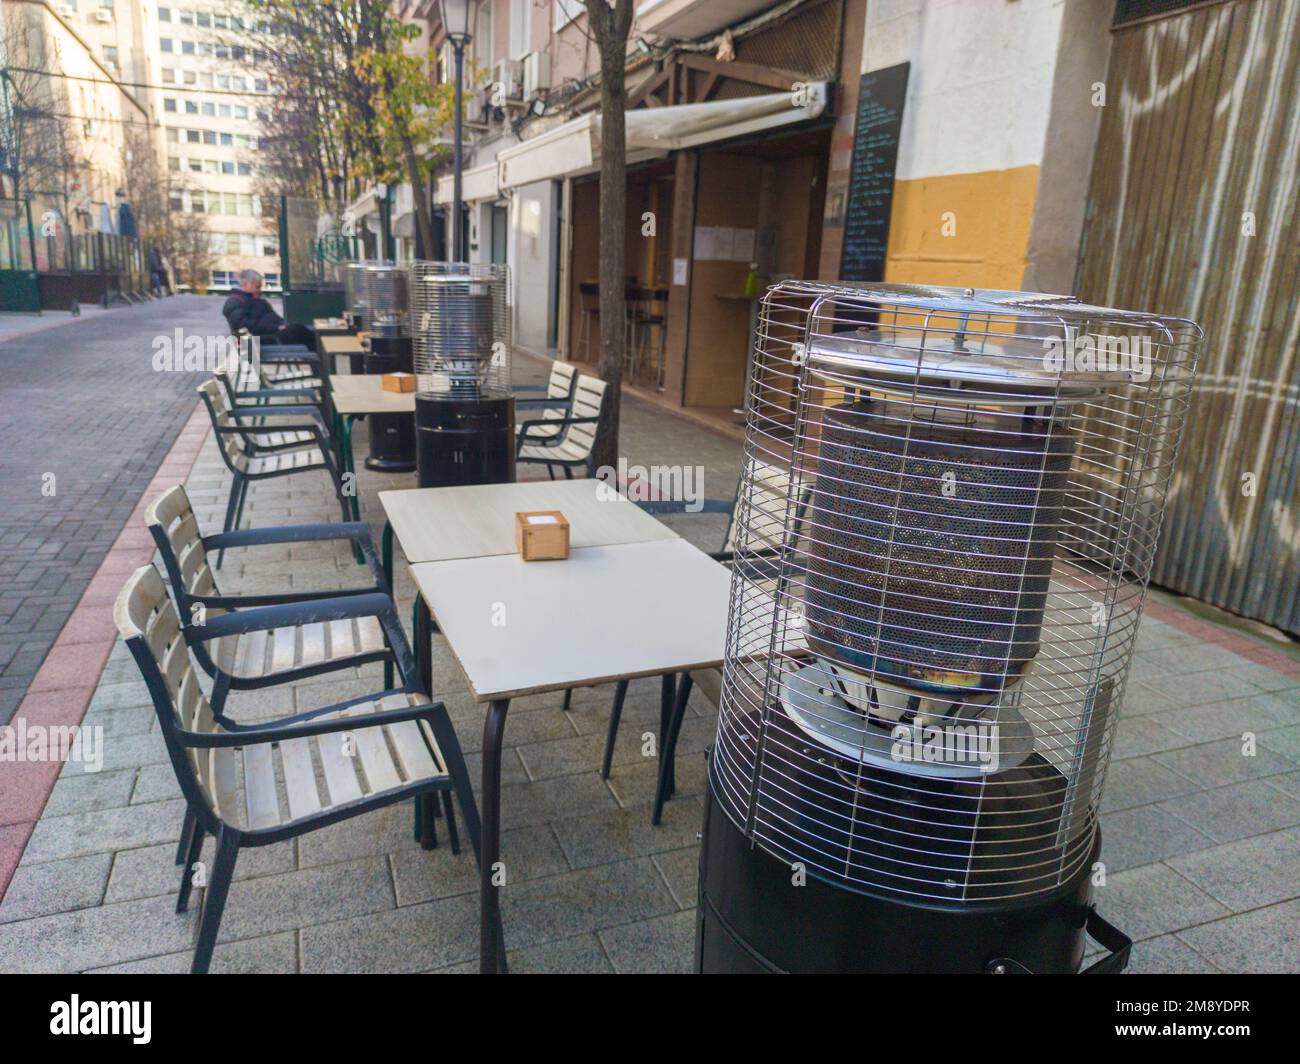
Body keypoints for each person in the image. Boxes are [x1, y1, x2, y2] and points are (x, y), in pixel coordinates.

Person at [221, 269, 316, 347]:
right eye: (257, 287)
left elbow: (273, 318)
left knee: (308, 332)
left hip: (269, 336)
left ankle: (323, 362)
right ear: (245, 285)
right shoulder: (235, 302)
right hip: (263, 340)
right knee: (299, 330)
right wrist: (277, 327)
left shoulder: (255, 300)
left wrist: (283, 325)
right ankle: (324, 363)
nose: (260, 290)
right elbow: (247, 328)